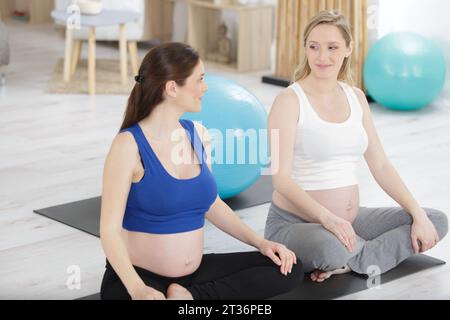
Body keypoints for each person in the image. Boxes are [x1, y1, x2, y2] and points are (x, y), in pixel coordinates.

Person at [99, 42, 303, 300]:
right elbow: (109, 230)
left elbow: (210, 205)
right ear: (172, 88)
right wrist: (137, 288)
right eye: (200, 79)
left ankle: (192, 298)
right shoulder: (128, 145)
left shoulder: (197, 135)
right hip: (140, 277)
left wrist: (261, 243)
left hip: (195, 276)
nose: (205, 87)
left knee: (289, 268)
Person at [264, 11, 448, 283]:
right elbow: (281, 179)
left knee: (435, 220)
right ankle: (354, 255)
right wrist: (327, 219)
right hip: (294, 223)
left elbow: (381, 165)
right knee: (331, 249)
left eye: (332, 47)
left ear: (348, 49)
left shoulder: (356, 97)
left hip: (349, 222)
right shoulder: (289, 100)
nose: (322, 57)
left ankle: (353, 259)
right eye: (313, 47)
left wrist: (417, 214)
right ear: (305, 48)